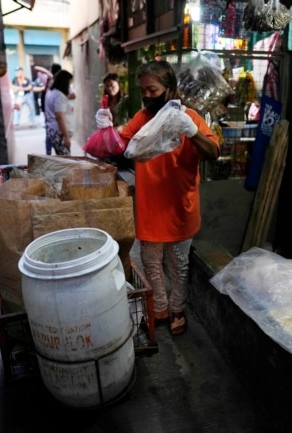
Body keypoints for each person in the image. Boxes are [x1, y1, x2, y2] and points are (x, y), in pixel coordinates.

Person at [96, 60, 219, 336]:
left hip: (180, 208)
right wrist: (106, 130)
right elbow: (115, 148)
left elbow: (213, 152)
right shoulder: (142, 119)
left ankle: (178, 309)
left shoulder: (190, 118)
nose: (148, 96)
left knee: (179, 265)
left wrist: (192, 131)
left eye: (153, 89)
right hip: (150, 208)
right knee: (151, 263)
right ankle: (160, 307)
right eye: (143, 91)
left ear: (170, 88)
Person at [101, 72, 131, 167]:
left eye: (112, 85)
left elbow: (131, 119)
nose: (109, 88)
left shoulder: (126, 100)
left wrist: (121, 127)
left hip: (123, 136)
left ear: (118, 84)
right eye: (107, 86)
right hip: (110, 137)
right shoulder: (106, 101)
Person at [44, 69, 75, 155]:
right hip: (59, 132)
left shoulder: (51, 92)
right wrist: (66, 137)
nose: (69, 86)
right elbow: (60, 117)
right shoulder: (59, 96)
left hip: (53, 130)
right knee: (66, 162)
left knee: (62, 160)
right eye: (69, 83)